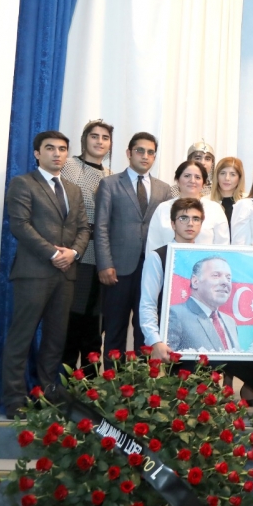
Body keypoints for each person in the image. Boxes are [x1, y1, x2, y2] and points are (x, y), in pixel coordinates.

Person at [3, 132, 90, 417]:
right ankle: (14, 400)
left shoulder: (73, 190)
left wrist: (73, 253)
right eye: (50, 148)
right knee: (21, 338)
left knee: (55, 339)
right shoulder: (23, 183)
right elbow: (20, 225)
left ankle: (48, 393)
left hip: (65, 275)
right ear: (37, 153)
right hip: (33, 274)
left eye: (62, 149)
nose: (57, 153)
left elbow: (83, 228)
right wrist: (54, 254)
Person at [94, 133, 172, 366]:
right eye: (140, 150)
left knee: (145, 330)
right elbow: (101, 226)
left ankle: (141, 383)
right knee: (114, 329)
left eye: (150, 152)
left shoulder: (163, 189)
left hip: (151, 269)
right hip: (118, 269)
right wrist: (105, 264)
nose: (145, 156)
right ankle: (112, 382)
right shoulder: (110, 184)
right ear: (129, 153)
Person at [60, 119, 113, 377]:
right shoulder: (68, 166)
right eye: (94, 136)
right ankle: (62, 384)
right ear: (84, 139)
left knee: (94, 325)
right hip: (73, 254)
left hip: (99, 257)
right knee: (70, 322)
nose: (99, 141)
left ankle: (90, 384)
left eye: (105, 137)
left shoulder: (111, 175)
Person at [138, 198, 207, 358]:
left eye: (196, 219)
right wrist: (155, 341)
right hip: (166, 343)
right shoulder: (157, 257)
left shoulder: (206, 258)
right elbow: (148, 304)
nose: (190, 223)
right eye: (183, 218)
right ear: (173, 224)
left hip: (201, 344)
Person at [145, 160, 230, 253]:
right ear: (177, 180)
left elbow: (223, 248)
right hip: (168, 261)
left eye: (197, 177)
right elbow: (153, 246)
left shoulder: (215, 209)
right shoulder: (163, 208)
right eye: (187, 176)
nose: (192, 181)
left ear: (203, 183)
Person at [166, 255, 240, 352]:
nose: (225, 282)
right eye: (216, 275)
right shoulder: (175, 315)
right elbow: (166, 358)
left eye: (228, 278)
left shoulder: (230, 322)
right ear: (195, 281)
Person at [210, 157, 246, 226]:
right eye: (222, 173)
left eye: (232, 174)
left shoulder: (247, 202)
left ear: (239, 178)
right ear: (216, 176)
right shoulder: (206, 201)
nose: (227, 178)